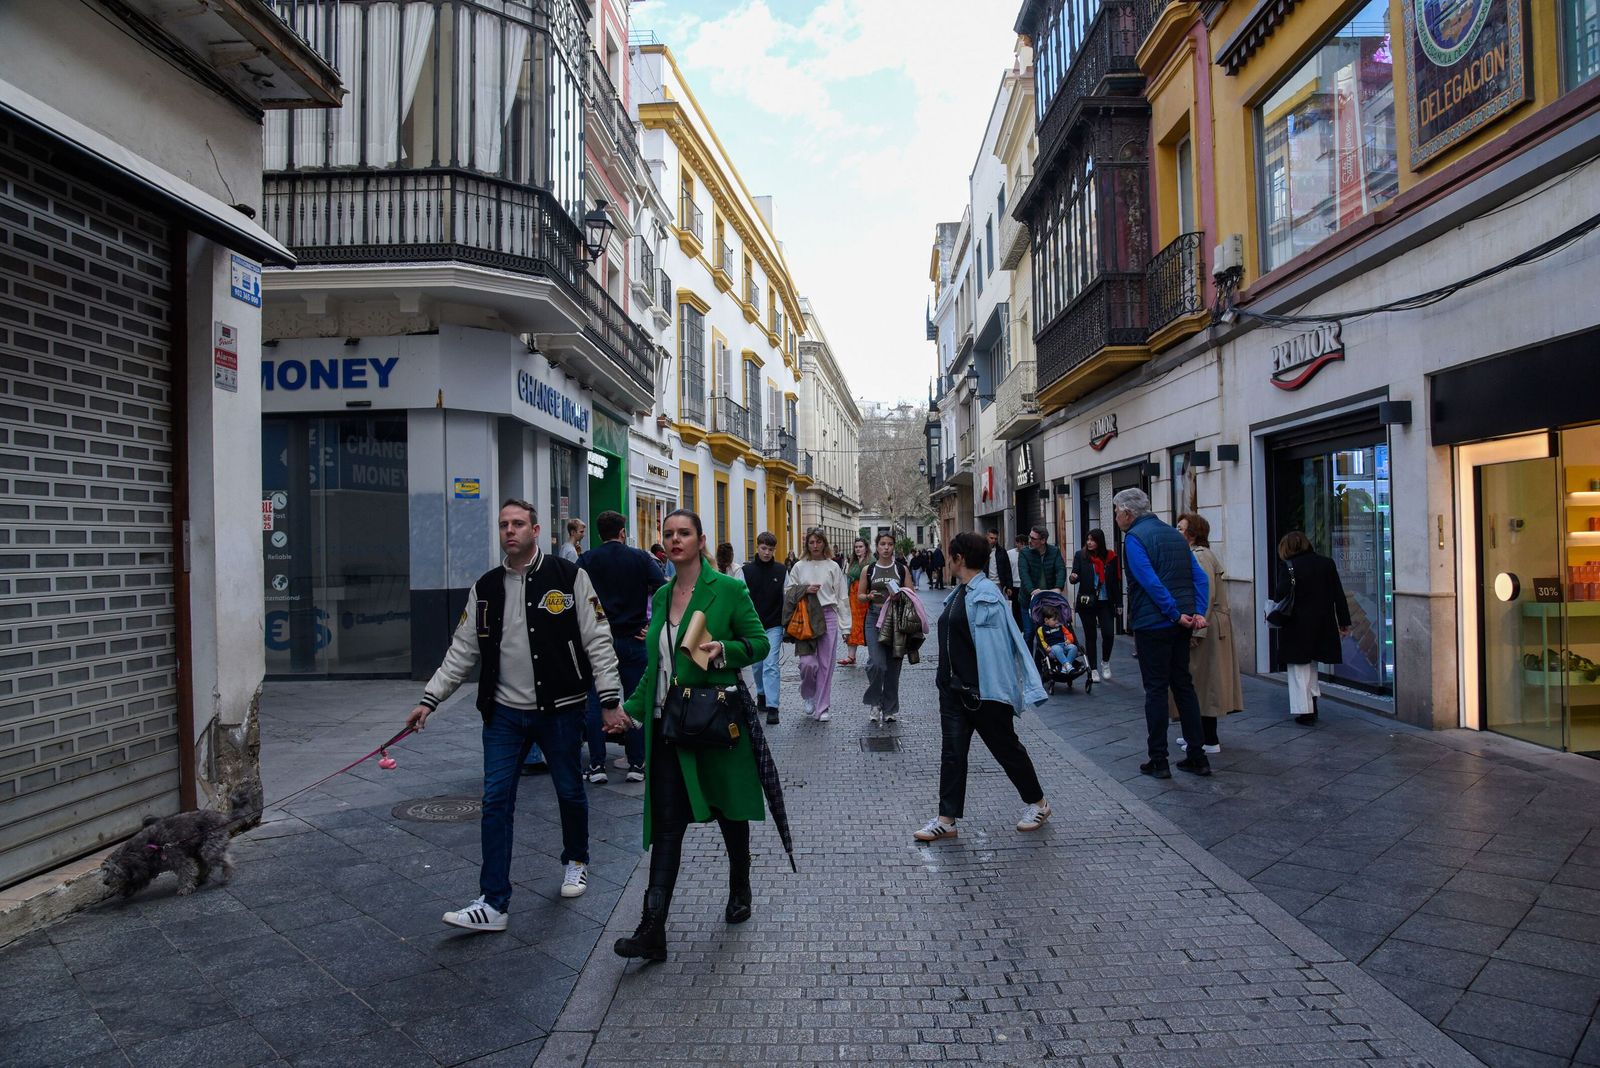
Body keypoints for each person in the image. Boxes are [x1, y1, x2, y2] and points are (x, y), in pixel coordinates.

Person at [405, 499, 627, 932]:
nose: (510, 531)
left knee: (569, 791)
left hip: (560, 710)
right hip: (503, 713)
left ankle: (576, 859)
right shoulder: (486, 587)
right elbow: (462, 650)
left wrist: (609, 698)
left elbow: (598, 638)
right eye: (504, 524)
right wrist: (430, 698)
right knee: (495, 801)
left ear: (536, 530)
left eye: (518, 524)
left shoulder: (568, 577)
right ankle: (493, 901)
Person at [612, 509, 772, 962]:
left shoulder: (728, 589)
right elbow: (658, 669)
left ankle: (740, 884)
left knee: (729, 813)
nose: (676, 539)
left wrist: (725, 651)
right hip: (669, 727)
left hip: (715, 724)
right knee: (666, 828)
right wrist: (629, 714)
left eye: (685, 533)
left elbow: (759, 643)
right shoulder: (661, 596)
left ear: (701, 540)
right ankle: (652, 930)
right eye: (669, 534)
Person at [914, 532, 1051, 842]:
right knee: (952, 753)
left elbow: (998, 648)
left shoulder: (985, 593)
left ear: (959, 559)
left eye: (950, 556)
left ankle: (1038, 804)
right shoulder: (960, 592)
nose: (947, 561)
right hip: (954, 690)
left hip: (981, 693)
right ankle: (946, 819)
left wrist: (1002, 690)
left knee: (1006, 749)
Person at [1112, 488, 1210, 779]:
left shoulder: (1134, 539)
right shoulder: (1173, 535)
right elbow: (1200, 578)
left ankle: (1159, 760)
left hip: (1154, 623)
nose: (1116, 517)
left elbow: (1149, 581)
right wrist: (1198, 612)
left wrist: (1173, 612)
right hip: (1181, 622)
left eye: (1117, 512)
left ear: (1128, 513)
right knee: (1183, 686)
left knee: (1155, 690)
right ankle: (1198, 756)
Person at [578, 511, 666, 785]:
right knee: (635, 700)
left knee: (595, 701)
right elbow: (662, 588)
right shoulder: (640, 558)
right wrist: (651, 624)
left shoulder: (587, 560)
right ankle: (637, 762)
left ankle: (596, 765)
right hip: (633, 638)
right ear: (622, 532)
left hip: (598, 642)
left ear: (598, 533)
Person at [1171, 514, 1243, 754]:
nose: (1176, 531)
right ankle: (1197, 734)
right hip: (1208, 627)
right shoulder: (1199, 555)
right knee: (1199, 682)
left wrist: (1196, 631)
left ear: (1192, 534)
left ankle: (1208, 739)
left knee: (1204, 683)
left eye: (1180, 528)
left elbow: (1205, 596)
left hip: (1206, 629)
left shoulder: (1200, 557)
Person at [1273, 530, 1351, 725]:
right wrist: (1344, 622)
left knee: (1299, 669)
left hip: (1297, 624)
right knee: (1313, 666)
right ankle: (1312, 703)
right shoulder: (1326, 563)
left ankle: (1305, 711)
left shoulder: (1289, 567)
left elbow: (1280, 594)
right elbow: (1338, 595)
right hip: (1323, 623)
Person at [785, 528, 850, 722]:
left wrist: (846, 627)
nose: (815, 546)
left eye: (818, 542)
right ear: (807, 544)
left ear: (824, 544)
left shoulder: (833, 566)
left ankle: (822, 707)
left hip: (828, 614)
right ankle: (808, 693)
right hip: (805, 616)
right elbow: (788, 591)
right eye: (812, 542)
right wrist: (805, 590)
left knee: (825, 665)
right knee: (807, 664)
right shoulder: (798, 566)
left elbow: (842, 597)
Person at [860, 532, 912, 727]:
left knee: (893, 667)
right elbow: (860, 596)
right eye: (882, 544)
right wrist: (869, 597)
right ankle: (875, 702)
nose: (886, 547)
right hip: (874, 618)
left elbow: (911, 594)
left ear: (893, 547)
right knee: (876, 663)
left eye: (890, 544)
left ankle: (889, 709)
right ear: (877, 546)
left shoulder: (901, 569)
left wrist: (901, 595)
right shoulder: (869, 569)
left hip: (896, 620)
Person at [742, 531, 787, 725]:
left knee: (771, 665)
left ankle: (773, 707)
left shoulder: (782, 570)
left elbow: (787, 597)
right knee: (757, 665)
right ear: (757, 548)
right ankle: (760, 693)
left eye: (770, 549)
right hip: (753, 626)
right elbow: (741, 600)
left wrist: (786, 623)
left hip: (774, 624)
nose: (767, 552)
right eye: (764, 548)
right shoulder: (745, 572)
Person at [1070, 528, 1122, 682]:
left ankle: (1105, 662)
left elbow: (1115, 582)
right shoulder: (1081, 555)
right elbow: (1075, 575)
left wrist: (1119, 602)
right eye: (1088, 539)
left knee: (1108, 634)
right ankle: (1093, 669)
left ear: (1099, 541)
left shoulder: (1111, 557)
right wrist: (1073, 577)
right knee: (1090, 636)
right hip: (1088, 602)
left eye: (1093, 540)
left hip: (1105, 601)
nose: (1089, 542)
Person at [1017, 525, 1067, 607]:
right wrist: (1032, 590)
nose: (1029, 541)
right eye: (1029, 537)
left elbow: (1061, 569)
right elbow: (1024, 573)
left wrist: (1058, 587)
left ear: (1043, 540)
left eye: (1033, 538)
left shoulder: (1054, 551)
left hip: (1049, 599)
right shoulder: (1024, 552)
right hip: (1029, 600)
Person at [840, 537, 871, 666]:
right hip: (853, 599)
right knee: (852, 625)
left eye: (860, 546)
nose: (858, 549)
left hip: (865, 599)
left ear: (866, 548)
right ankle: (851, 656)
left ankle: (873, 655)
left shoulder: (871, 561)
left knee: (868, 626)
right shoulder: (852, 561)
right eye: (856, 547)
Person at [1037, 605, 1084, 679]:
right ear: (1046, 620)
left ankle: (1064, 668)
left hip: (1064, 644)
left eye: (1057, 619)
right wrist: (1046, 647)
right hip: (1052, 648)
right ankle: (1067, 665)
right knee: (1057, 648)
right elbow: (1041, 640)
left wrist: (1069, 640)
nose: (1057, 621)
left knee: (1074, 647)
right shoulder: (1041, 629)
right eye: (1054, 620)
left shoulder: (1060, 626)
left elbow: (1068, 634)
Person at [985, 528, 1015, 600]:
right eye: (991, 538)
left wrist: (1009, 586)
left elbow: (1007, 569)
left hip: (999, 584)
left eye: (995, 539)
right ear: (987, 537)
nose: (993, 540)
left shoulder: (1002, 551)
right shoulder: (981, 550)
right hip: (986, 582)